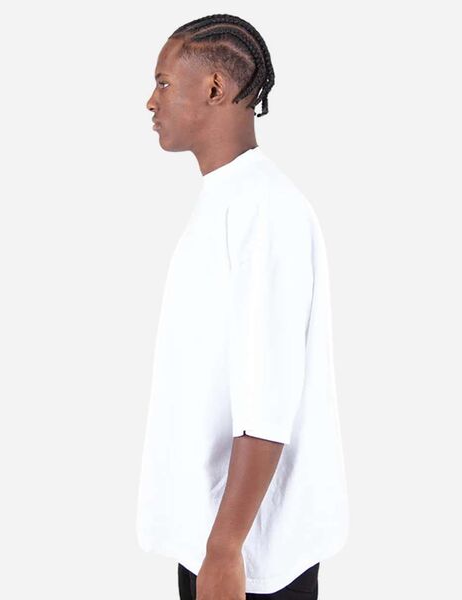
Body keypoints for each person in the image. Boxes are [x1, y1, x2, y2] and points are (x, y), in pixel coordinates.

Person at [136, 13, 349, 599]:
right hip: (214, 537)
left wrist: (226, 548)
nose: (150, 101)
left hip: (250, 556)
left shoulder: (266, 209)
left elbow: (267, 399)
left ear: (214, 88)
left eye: (162, 82)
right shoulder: (228, 200)